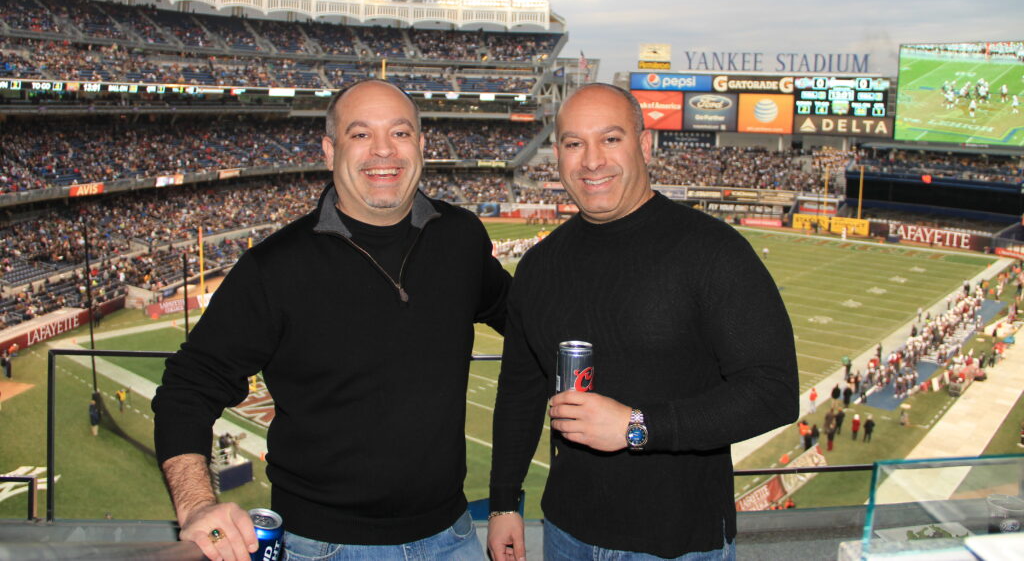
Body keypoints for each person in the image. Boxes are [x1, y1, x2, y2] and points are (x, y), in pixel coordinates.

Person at [152, 80, 511, 561]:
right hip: (319, 546)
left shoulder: (461, 237)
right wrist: (196, 507)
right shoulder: (275, 267)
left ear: (422, 146)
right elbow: (187, 389)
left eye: (400, 133)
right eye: (361, 134)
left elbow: (521, 313)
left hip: (453, 536)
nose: (384, 150)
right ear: (329, 150)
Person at [487, 84, 798, 560]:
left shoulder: (710, 250)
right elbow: (520, 389)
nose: (592, 161)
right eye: (574, 143)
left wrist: (638, 426)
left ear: (644, 144)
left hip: (676, 543)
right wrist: (504, 501)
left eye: (610, 139)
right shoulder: (539, 264)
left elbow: (774, 391)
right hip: (565, 531)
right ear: (557, 154)